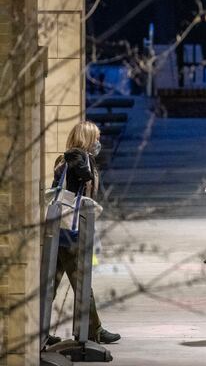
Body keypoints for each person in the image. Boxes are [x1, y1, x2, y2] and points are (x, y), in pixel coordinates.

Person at [49, 121, 121, 345]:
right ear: (87, 138)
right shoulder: (76, 157)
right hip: (71, 230)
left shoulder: (70, 159)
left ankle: (37, 329)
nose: (99, 143)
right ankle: (93, 331)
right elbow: (83, 175)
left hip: (62, 229)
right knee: (81, 281)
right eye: (96, 138)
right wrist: (82, 155)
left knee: (51, 283)